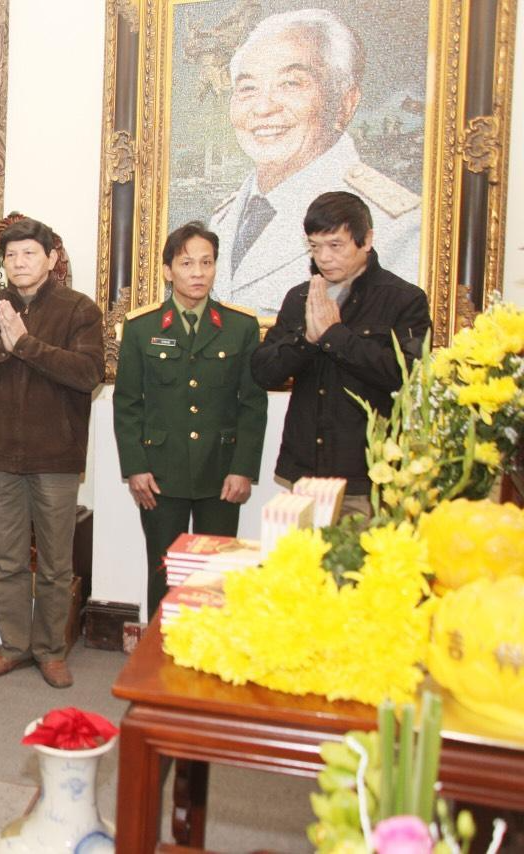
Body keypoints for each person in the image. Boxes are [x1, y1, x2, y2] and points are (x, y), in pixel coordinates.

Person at [0, 217, 105, 689]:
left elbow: (89, 374)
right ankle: (13, 647)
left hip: (56, 457)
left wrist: (26, 345)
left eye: (29, 253)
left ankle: (51, 651)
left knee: (56, 564)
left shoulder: (79, 309)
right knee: (9, 560)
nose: (19, 262)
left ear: (51, 259)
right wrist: (2, 348)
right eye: (12, 255)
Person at [209, 8, 420, 315]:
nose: (263, 108)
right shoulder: (225, 217)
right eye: (248, 88)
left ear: (345, 103)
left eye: (290, 84)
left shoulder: (393, 225)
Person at [114, 222, 268, 620]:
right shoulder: (142, 327)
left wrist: (243, 468)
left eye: (206, 262)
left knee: (214, 576)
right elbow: (127, 404)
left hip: (221, 473)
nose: (198, 272)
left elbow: (252, 404)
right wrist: (135, 467)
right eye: (186, 263)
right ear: (168, 271)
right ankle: (163, 651)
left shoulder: (240, 327)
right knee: (165, 572)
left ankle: (210, 651)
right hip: (160, 474)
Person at [251, 191, 430, 517]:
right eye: (315, 246)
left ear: (366, 240)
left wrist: (335, 336)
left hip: (367, 479)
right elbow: (263, 372)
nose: (324, 257)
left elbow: (406, 377)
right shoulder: (299, 297)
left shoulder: (404, 300)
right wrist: (307, 340)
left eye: (335, 245)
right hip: (304, 473)